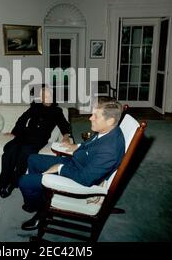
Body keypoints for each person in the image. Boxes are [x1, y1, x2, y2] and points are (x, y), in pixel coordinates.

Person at [18, 97, 125, 231]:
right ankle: (37, 201)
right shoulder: (107, 130)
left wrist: (61, 168)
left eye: (95, 116)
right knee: (33, 159)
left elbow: (85, 179)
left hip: (80, 176)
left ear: (110, 120)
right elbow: (92, 145)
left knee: (24, 181)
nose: (90, 118)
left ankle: (42, 211)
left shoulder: (110, 150)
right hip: (80, 162)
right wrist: (78, 146)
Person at [0, 85, 72, 198]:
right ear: (41, 97)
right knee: (9, 151)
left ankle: (13, 183)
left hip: (39, 139)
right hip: (25, 135)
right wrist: (14, 132)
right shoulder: (35, 107)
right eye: (45, 95)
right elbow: (22, 119)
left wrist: (66, 136)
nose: (48, 97)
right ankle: (1, 183)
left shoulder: (57, 111)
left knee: (25, 153)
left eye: (50, 95)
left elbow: (64, 125)